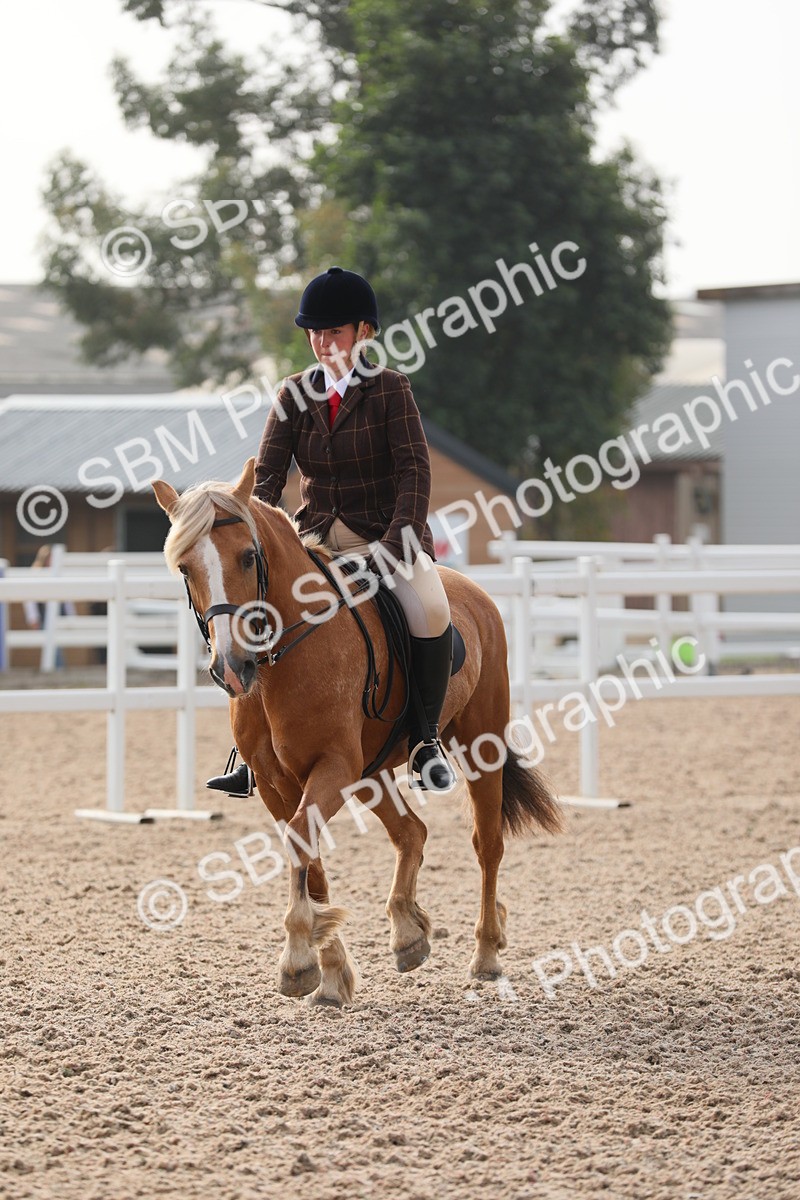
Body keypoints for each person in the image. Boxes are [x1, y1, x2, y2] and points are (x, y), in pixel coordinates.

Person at [207, 265, 456, 795]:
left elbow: (414, 471)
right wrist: (256, 531)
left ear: (363, 332)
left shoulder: (391, 389)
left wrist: (395, 545)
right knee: (257, 612)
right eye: (315, 332)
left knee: (432, 610)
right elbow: (266, 476)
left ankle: (425, 740)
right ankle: (250, 751)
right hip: (313, 538)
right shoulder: (293, 393)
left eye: (334, 332)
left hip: (383, 535)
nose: (322, 343)